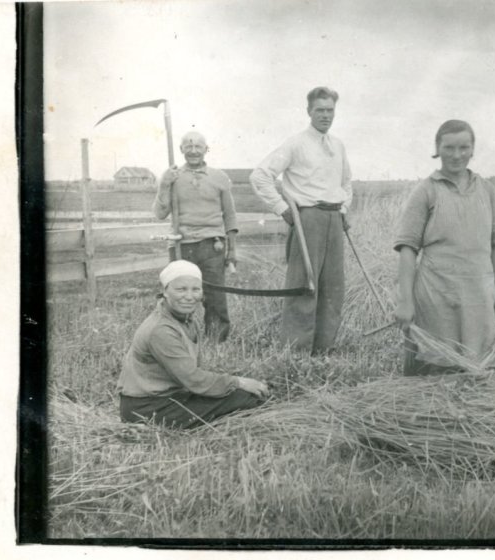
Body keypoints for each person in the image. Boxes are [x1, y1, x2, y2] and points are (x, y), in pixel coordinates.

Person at [393, 120, 495, 375]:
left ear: (472, 149)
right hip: (437, 297)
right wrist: (405, 301)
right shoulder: (425, 191)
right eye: (449, 148)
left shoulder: (487, 190)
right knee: (435, 376)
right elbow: (407, 249)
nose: (457, 155)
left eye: (463, 148)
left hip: (479, 297)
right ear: (437, 149)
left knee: (479, 377)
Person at [250, 87, 353, 355]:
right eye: (320, 110)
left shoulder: (338, 145)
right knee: (304, 285)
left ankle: (323, 350)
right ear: (309, 111)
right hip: (308, 219)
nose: (325, 115)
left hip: (334, 219)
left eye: (330, 110)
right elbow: (260, 175)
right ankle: (296, 354)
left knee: (333, 288)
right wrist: (282, 209)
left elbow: (346, 183)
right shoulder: (295, 144)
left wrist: (343, 210)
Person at [117, 261, 269, 429]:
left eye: (195, 289)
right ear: (165, 292)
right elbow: (194, 380)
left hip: (173, 397)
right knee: (246, 398)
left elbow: (194, 376)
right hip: (147, 408)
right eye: (181, 289)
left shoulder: (187, 320)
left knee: (242, 394)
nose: (189, 297)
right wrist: (238, 382)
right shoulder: (161, 329)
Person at [152, 131, 238, 343]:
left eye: (198, 146)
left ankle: (216, 344)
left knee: (215, 296)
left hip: (213, 245)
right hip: (182, 244)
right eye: (188, 147)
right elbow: (160, 213)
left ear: (206, 149)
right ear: (181, 150)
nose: (193, 151)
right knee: (180, 296)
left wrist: (232, 250)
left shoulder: (219, 178)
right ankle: (180, 341)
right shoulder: (172, 177)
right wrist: (164, 184)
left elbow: (230, 215)